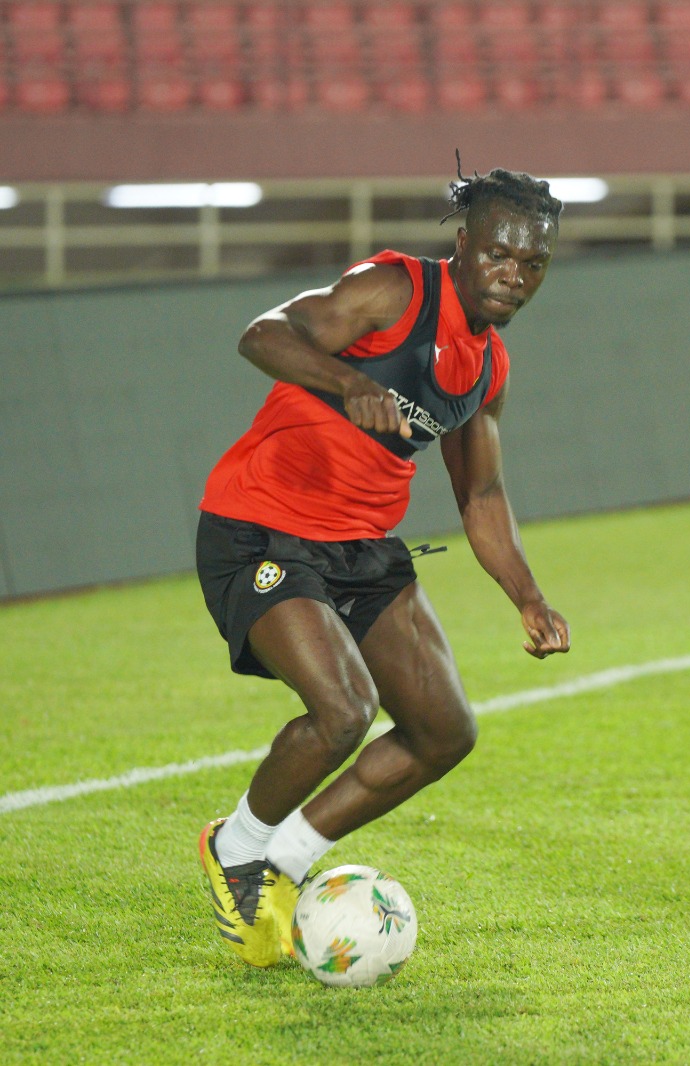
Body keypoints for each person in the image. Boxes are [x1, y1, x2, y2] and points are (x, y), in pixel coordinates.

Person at [193, 165, 571, 967]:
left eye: (531, 264)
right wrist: (346, 380)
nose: (513, 275)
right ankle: (237, 848)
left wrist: (528, 599)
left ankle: (284, 865)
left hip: (363, 550)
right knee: (343, 708)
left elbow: (482, 495)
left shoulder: (489, 368)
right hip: (262, 529)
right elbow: (262, 332)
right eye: (500, 255)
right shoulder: (394, 289)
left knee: (444, 731)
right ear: (464, 246)